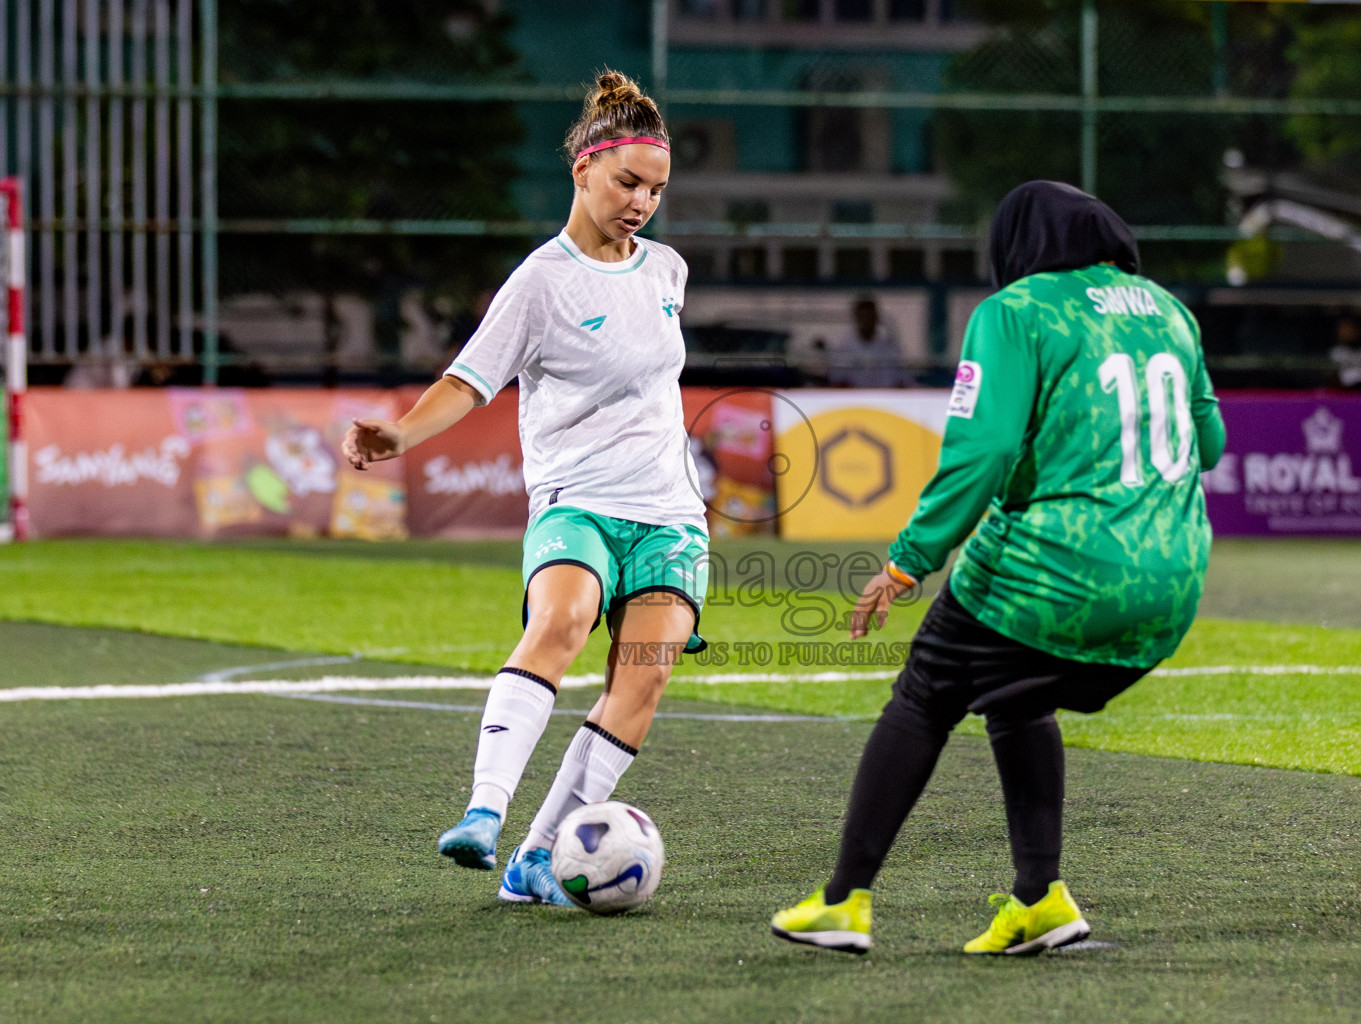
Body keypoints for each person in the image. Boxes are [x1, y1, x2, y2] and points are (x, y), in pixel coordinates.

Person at [769, 181, 1226, 955]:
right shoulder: (1169, 311)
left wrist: (908, 561)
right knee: (1017, 696)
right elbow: (1208, 444)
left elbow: (983, 450)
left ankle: (844, 902)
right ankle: (1040, 901)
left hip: (1056, 575)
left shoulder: (1016, 312)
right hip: (1173, 587)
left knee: (925, 694)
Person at [342, 71, 708, 907]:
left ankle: (539, 857)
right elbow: (469, 381)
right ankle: (484, 811)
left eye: (655, 188)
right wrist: (399, 432)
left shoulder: (669, 272)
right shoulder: (540, 282)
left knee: (642, 678)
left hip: (670, 517)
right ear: (582, 168)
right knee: (562, 621)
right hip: (576, 501)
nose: (642, 201)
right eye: (627, 182)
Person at [825, 297, 914, 388]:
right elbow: (835, 381)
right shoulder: (843, 349)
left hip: (885, 399)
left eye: (870, 316)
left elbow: (905, 381)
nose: (866, 320)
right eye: (863, 316)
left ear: (876, 318)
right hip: (854, 400)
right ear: (856, 317)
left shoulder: (890, 349)